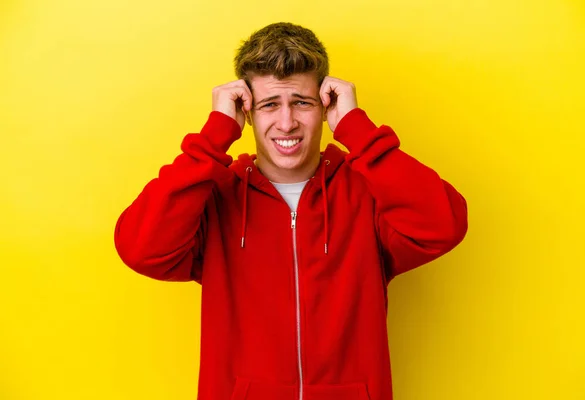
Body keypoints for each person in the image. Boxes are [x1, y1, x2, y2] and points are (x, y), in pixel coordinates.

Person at [114, 22, 468, 400]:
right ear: (246, 111)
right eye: (269, 104)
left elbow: (443, 224)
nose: (287, 123)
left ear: (325, 106)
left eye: (302, 102)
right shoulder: (216, 198)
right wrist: (214, 135)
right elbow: (141, 249)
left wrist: (357, 131)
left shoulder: (366, 193)